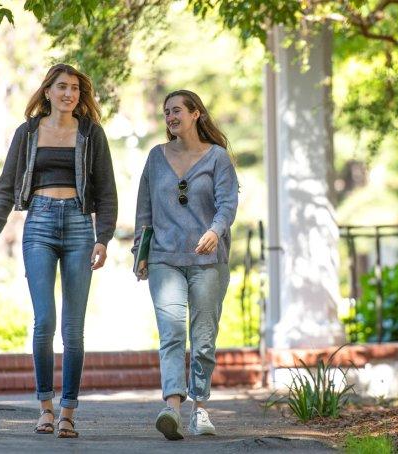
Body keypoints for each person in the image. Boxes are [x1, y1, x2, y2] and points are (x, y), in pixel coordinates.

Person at [0, 63, 117, 439]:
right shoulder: (27, 133)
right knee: (44, 322)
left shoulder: (91, 133)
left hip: (77, 225)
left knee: (74, 329)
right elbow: (7, 182)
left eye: (74, 88)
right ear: (47, 92)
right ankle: (44, 407)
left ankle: (68, 411)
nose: (68, 93)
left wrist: (103, 237)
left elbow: (106, 190)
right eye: (61, 87)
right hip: (38, 223)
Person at [133, 89, 239, 440]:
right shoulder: (155, 157)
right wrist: (141, 250)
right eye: (166, 113)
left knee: (204, 337)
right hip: (165, 258)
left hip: (208, 259)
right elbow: (144, 209)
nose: (171, 117)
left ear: (196, 114)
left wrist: (215, 229)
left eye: (177, 110)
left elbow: (228, 202)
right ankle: (172, 408)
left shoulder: (217, 158)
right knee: (172, 333)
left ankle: (201, 408)